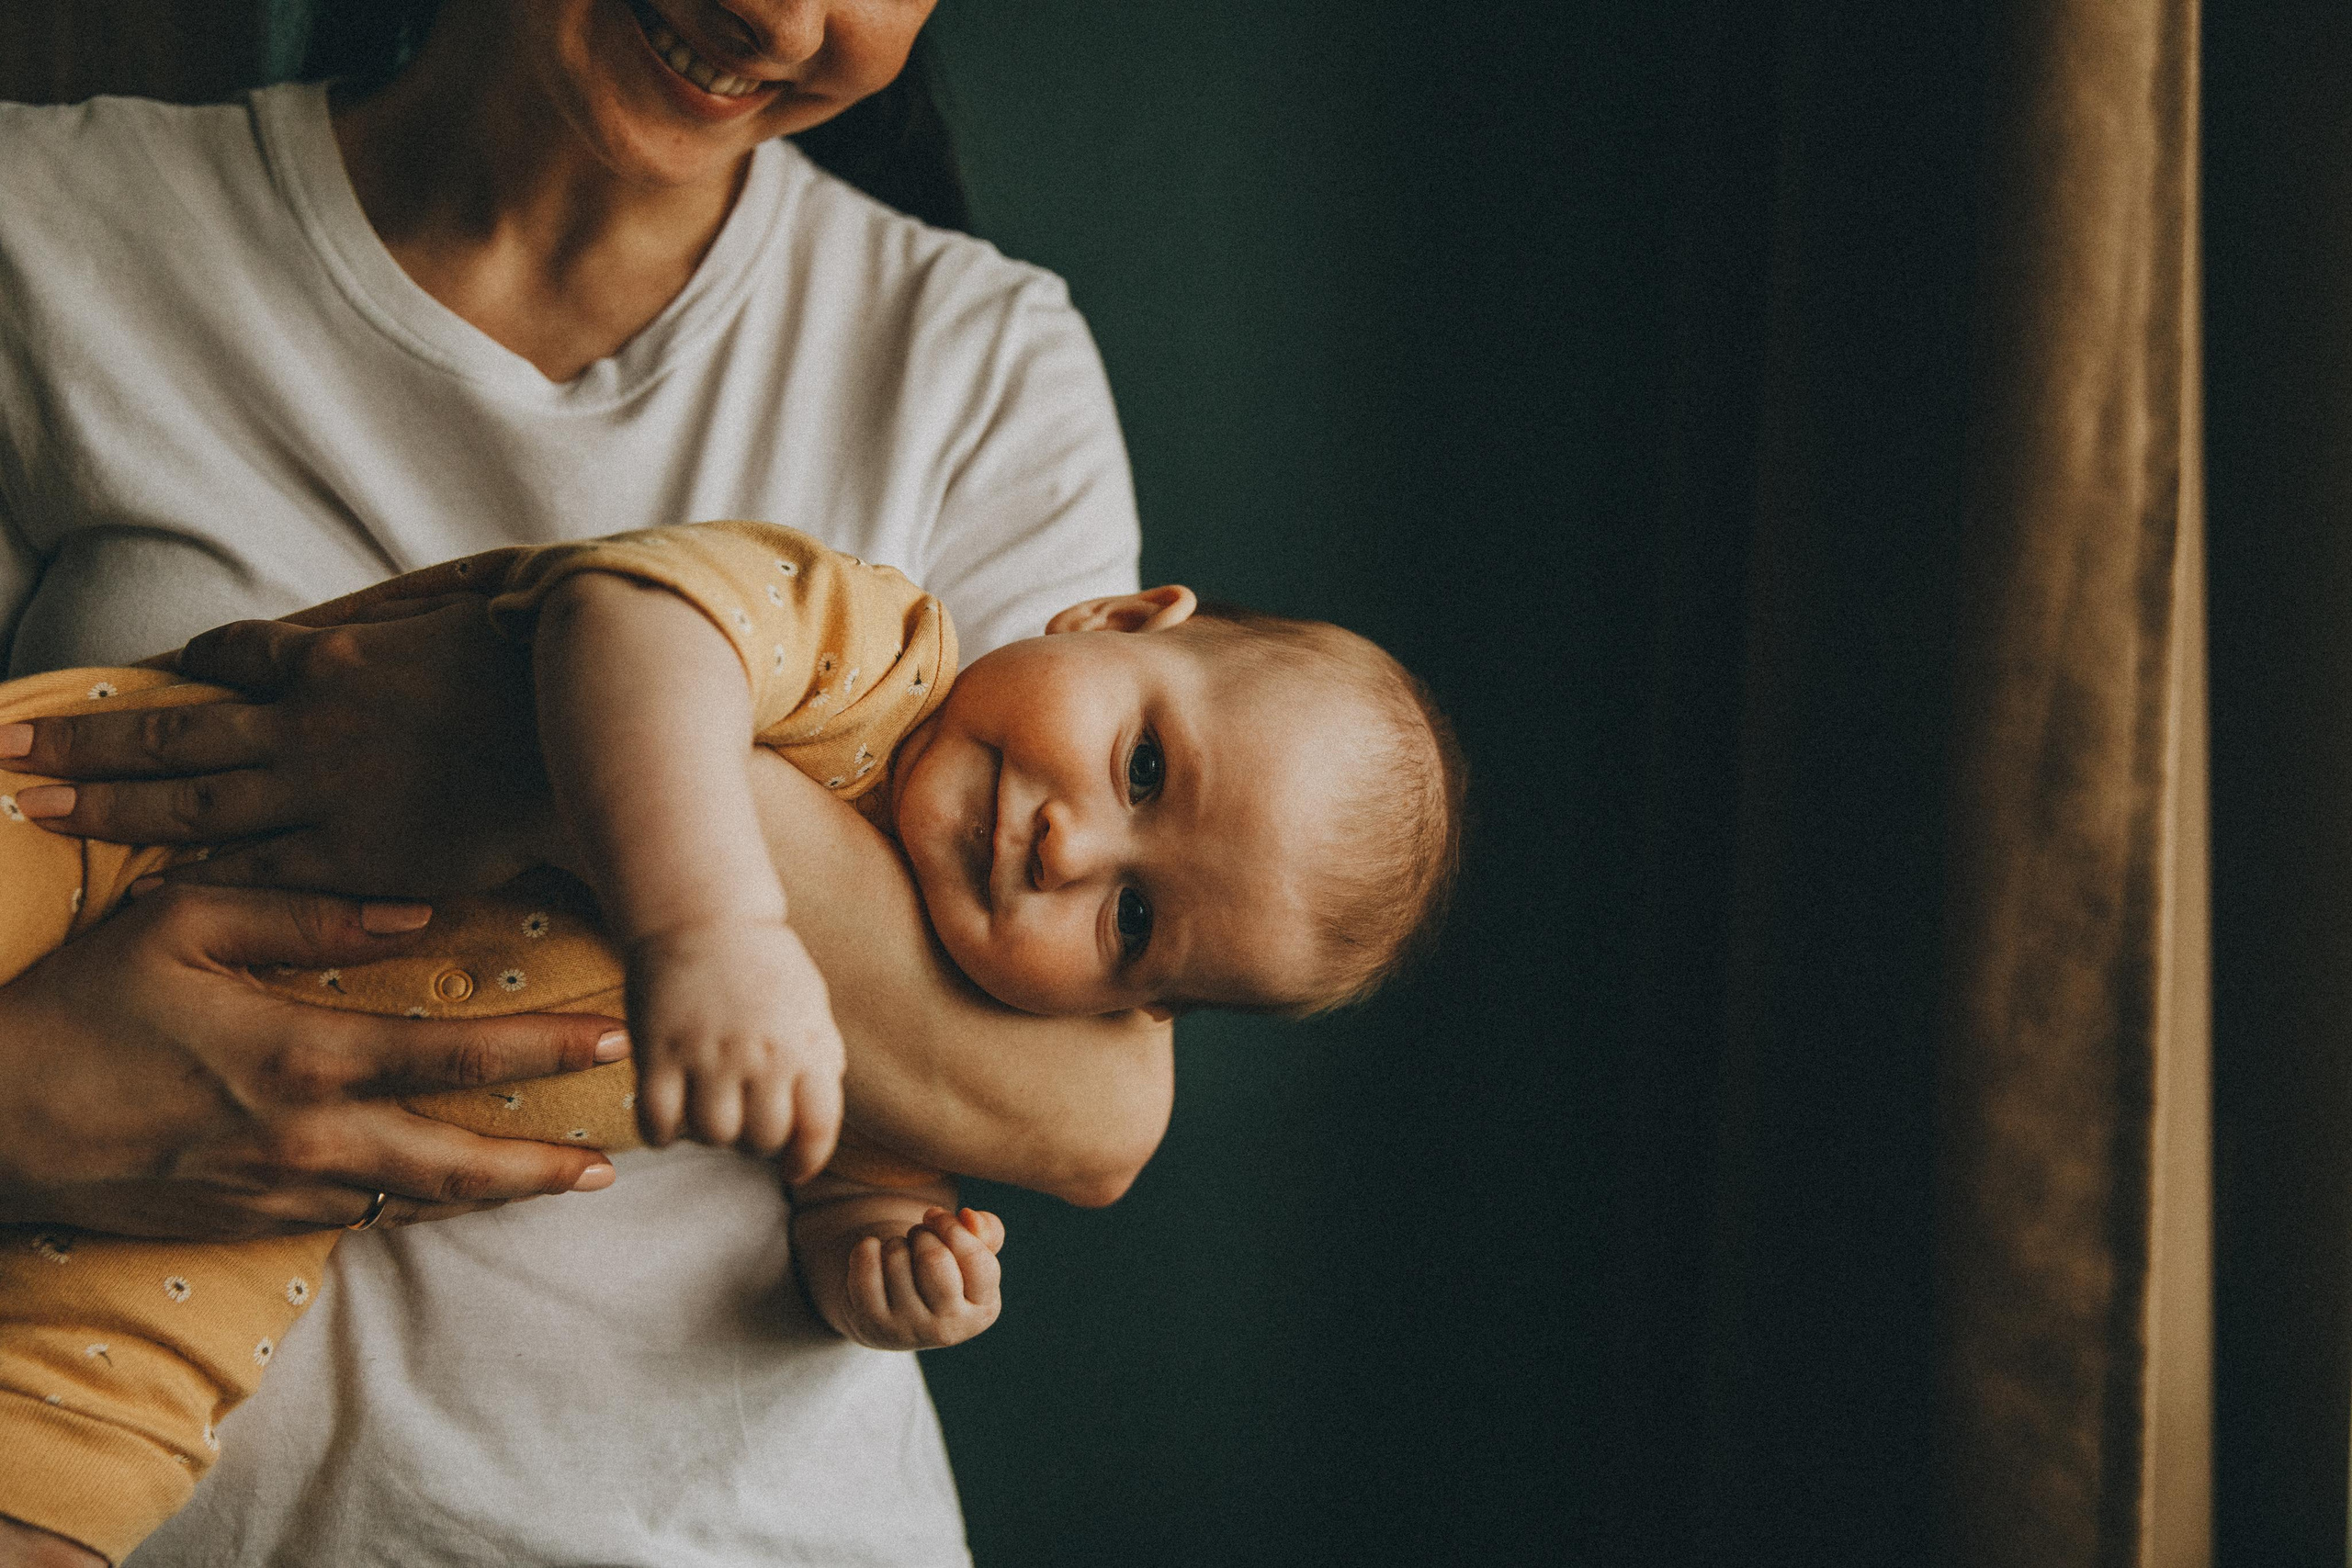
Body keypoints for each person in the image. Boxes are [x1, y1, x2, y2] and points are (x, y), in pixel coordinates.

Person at [0, 3, 1184, 1562]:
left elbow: (1086, 1108)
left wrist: (543, 744)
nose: (780, 13)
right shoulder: (52, 229)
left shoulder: (974, 359)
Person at [0, 516, 1463, 1562]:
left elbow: (851, 1170)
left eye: (1134, 923)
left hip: (270, 1173)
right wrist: (712, 927)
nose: (1071, 844)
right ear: (1117, 620)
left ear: (1135, 1013)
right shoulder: (875, 657)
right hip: (130, 829)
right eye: (1144, 762)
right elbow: (630, 620)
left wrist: (877, 1252)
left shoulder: (951, 1016)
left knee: (81, 1460)